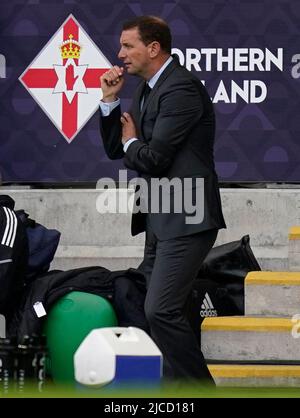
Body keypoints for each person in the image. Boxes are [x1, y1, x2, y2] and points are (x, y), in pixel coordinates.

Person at [99, 15, 226, 383]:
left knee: (160, 311)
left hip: (188, 220)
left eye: (128, 46)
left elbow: (154, 158)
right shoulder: (146, 89)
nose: (120, 53)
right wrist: (109, 102)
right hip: (160, 219)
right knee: (163, 311)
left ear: (153, 48)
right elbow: (115, 149)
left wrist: (131, 141)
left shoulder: (181, 88)